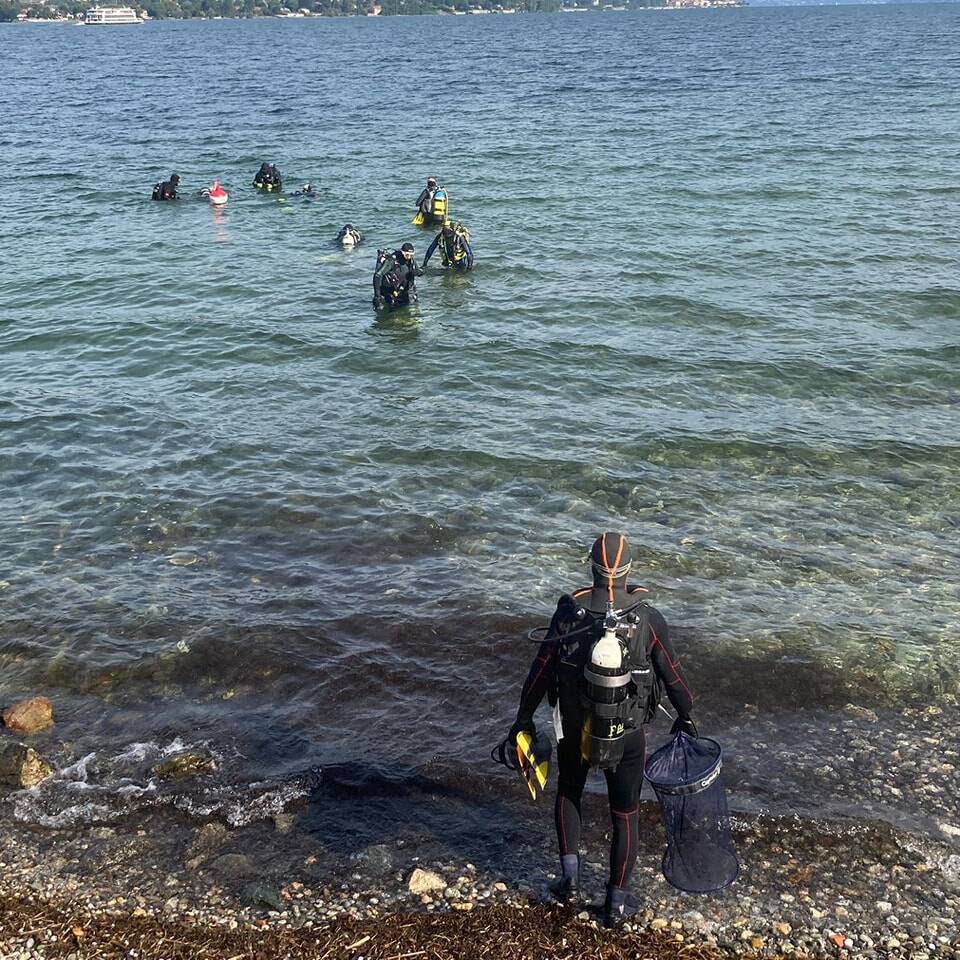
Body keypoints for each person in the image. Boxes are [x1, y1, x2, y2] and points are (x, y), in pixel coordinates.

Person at [506, 532, 697, 928]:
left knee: (569, 792)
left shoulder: (568, 613)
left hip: (575, 730)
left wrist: (523, 718)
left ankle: (570, 883)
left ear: (590, 566)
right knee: (625, 814)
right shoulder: (647, 617)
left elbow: (540, 671)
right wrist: (687, 716)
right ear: (629, 571)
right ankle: (616, 904)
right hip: (627, 736)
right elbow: (674, 677)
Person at [373, 242, 421, 310]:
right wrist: (377, 296)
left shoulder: (411, 260)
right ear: (402, 252)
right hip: (389, 288)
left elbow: (418, 271)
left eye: (411, 255)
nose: (409, 257)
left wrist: (418, 272)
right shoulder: (392, 260)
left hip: (403, 288)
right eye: (407, 255)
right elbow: (377, 276)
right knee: (393, 309)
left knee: (411, 307)